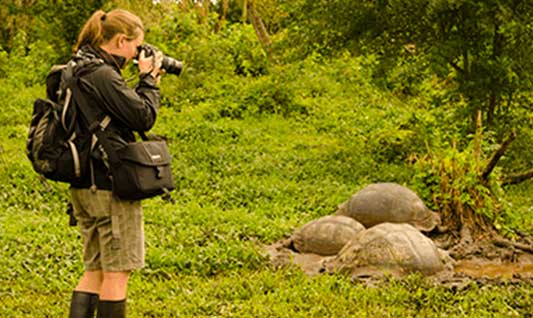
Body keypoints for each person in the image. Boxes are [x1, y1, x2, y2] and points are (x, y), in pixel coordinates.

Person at [65, 9, 163, 318]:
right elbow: (142, 116)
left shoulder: (74, 68)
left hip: (84, 184)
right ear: (121, 40)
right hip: (109, 186)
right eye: (136, 47)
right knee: (118, 272)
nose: (137, 54)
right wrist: (148, 80)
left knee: (95, 270)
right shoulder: (101, 74)